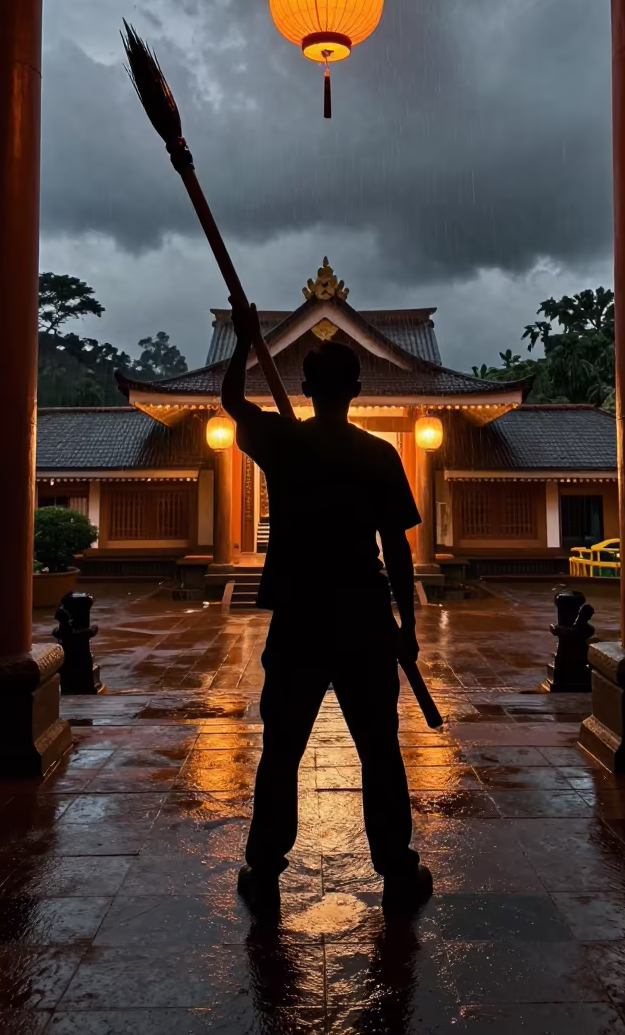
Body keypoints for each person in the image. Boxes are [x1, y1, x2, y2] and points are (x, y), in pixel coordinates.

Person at [221, 298, 433, 915]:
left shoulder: (285, 446)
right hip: (365, 619)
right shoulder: (377, 455)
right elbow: (395, 548)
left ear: (308, 387)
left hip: (300, 617)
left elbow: (233, 403)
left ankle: (264, 869)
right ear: (359, 390)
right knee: (379, 749)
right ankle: (396, 868)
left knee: (282, 748)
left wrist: (245, 341)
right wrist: (408, 627)